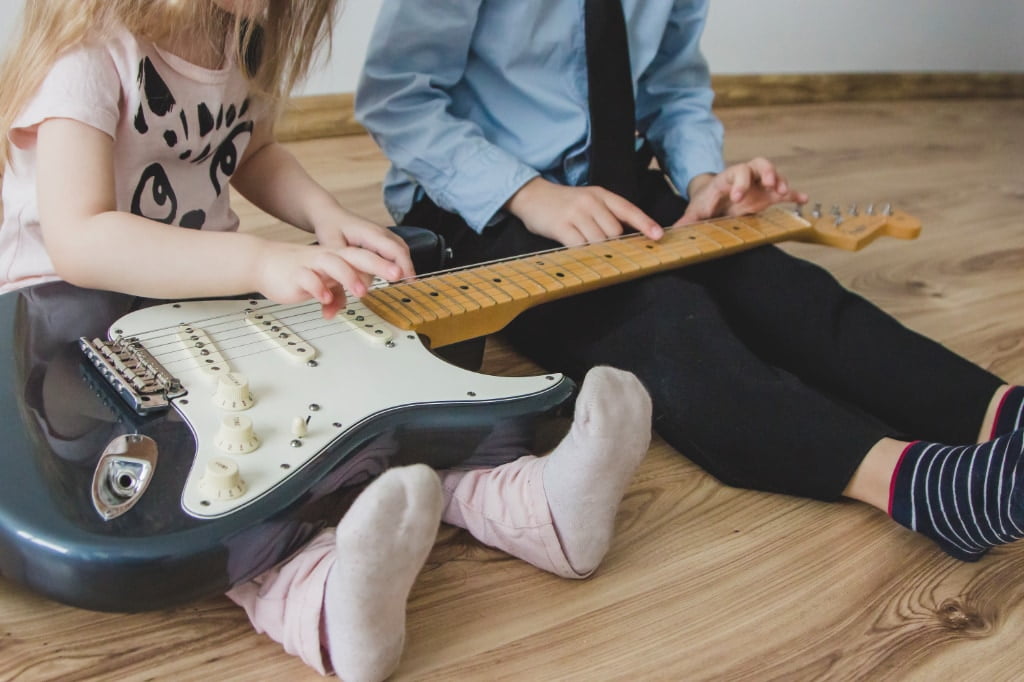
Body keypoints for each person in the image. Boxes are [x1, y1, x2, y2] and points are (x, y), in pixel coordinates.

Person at [0, 1, 655, 679]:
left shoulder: (235, 34)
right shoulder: (87, 54)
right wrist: (258, 262)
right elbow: (78, 238)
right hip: (69, 339)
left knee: (349, 399)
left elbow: (255, 152)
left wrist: (325, 216)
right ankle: (320, 602)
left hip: (197, 307)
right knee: (221, 480)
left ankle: (534, 508)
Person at [356, 0, 1024, 567]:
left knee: (788, 292)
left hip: (620, 185)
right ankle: (920, 486)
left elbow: (673, 87)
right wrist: (530, 196)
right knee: (666, 324)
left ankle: (994, 410)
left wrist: (707, 181)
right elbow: (399, 99)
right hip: (482, 202)